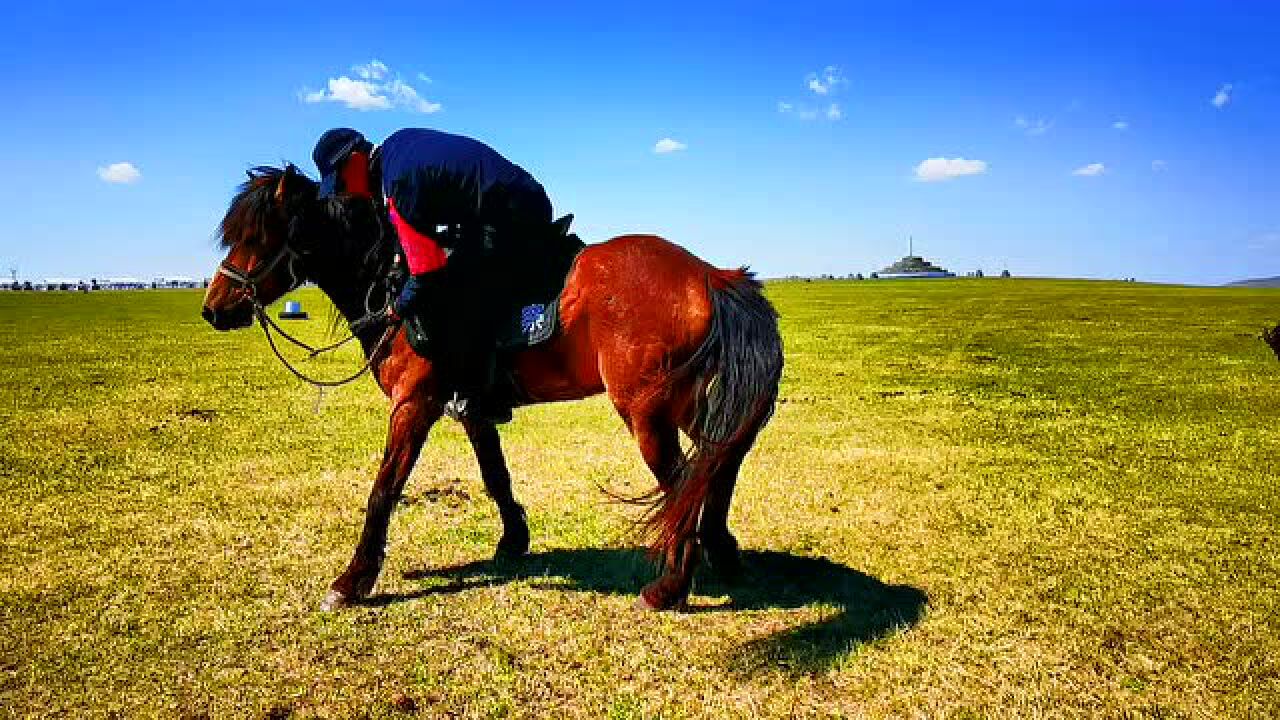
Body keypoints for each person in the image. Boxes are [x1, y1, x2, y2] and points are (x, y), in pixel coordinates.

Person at [313, 127, 557, 424]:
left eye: (339, 183)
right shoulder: (396, 148)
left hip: (515, 210)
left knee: (462, 288)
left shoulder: (399, 183)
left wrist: (399, 306)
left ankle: (482, 394)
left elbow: (426, 269)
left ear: (354, 161)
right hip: (509, 200)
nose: (344, 193)